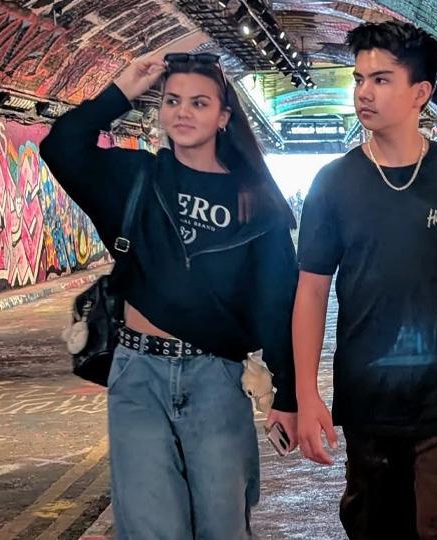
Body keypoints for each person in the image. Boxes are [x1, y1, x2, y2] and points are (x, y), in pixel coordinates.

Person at [40, 52, 298, 539]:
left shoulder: (256, 202)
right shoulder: (137, 176)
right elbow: (61, 147)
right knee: (148, 527)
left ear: (223, 117)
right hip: (137, 375)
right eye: (173, 101)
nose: (183, 112)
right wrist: (120, 91)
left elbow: (276, 300)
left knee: (222, 526)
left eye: (199, 103)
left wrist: (287, 392)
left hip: (217, 378)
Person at [293, 21, 437, 540]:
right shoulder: (333, 184)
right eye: (358, 79)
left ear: (420, 93)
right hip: (367, 405)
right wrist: (307, 393)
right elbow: (311, 293)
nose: (364, 92)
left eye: (381, 79)